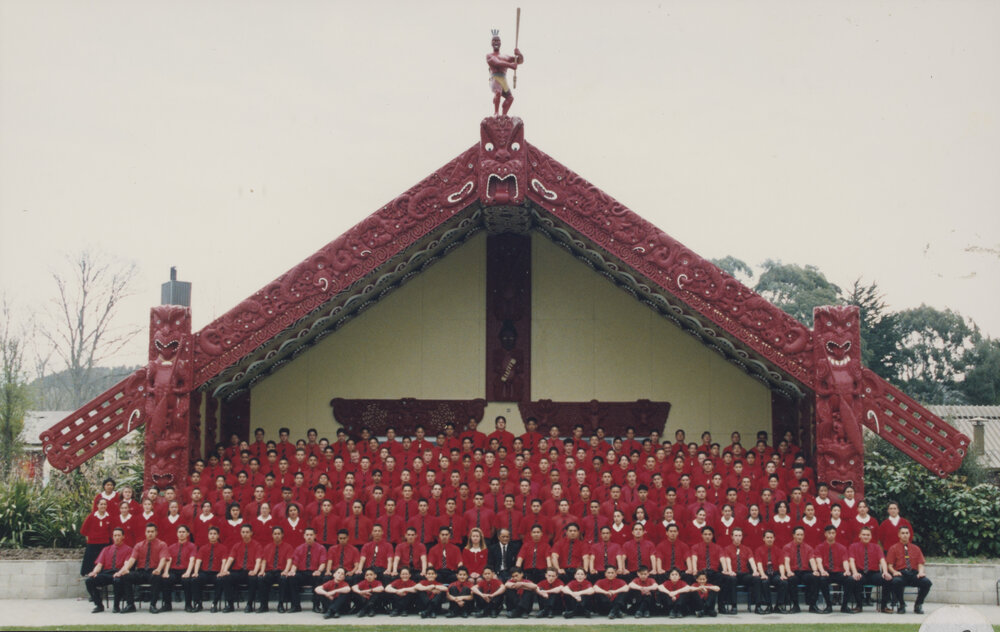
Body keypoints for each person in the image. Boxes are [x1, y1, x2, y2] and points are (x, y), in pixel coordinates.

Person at [115, 522, 170, 613]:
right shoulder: (138, 545)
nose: (150, 533)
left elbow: (163, 559)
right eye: (148, 531)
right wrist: (125, 569)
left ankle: (152, 605)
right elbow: (132, 559)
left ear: (156, 533)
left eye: (152, 531)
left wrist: (159, 569)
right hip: (141, 572)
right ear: (145, 532)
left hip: (153, 571)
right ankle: (130, 605)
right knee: (126, 576)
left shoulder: (162, 544)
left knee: (157, 577)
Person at [84, 527, 132, 613]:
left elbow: (126, 565)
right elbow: (99, 564)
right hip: (106, 572)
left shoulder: (128, 549)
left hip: (118, 572)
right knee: (89, 581)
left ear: (123, 537)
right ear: (112, 537)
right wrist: (94, 572)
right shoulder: (106, 549)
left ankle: (116, 606)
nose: (117, 537)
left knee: (118, 580)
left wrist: (119, 573)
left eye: (119, 535)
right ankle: (99, 605)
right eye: (115, 535)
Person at [885, 526, 931, 614]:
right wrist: (894, 572)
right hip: (900, 573)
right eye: (903, 533)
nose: (905, 535)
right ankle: (901, 604)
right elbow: (889, 565)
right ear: (899, 535)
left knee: (927, 582)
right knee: (896, 582)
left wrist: (921, 572)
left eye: (907, 533)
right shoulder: (893, 548)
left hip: (913, 574)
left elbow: (920, 563)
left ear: (909, 535)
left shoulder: (916, 548)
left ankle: (918, 604)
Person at [151, 524, 197, 613]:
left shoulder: (192, 546)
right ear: (177, 534)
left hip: (185, 570)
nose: (181, 534)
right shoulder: (171, 547)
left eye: (183, 532)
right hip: (174, 570)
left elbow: (192, 560)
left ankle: (188, 605)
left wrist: (188, 572)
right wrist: (166, 572)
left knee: (187, 580)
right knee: (166, 579)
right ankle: (167, 605)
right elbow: (168, 560)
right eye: (179, 532)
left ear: (188, 534)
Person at [217, 524, 263, 613]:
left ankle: (249, 605)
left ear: (251, 533)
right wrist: (225, 570)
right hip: (238, 571)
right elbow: (230, 559)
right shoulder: (236, 545)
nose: (245, 534)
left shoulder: (257, 545)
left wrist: (255, 571)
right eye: (243, 532)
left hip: (250, 571)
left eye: (247, 532)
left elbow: (258, 560)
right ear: (240, 533)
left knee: (253, 579)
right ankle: (230, 605)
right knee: (226, 577)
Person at [814, 524, 857, 614]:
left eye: (833, 533)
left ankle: (844, 606)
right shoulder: (819, 547)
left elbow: (845, 561)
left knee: (850, 579)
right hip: (826, 572)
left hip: (838, 572)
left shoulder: (842, 548)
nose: (831, 535)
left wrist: (847, 571)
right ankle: (829, 606)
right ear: (825, 534)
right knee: (822, 580)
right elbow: (819, 561)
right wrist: (822, 571)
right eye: (829, 533)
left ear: (836, 534)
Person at [848, 526, 892, 613]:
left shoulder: (876, 547)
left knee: (887, 579)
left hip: (873, 573)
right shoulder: (853, 546)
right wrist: (855, 572)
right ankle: (859, 606)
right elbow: (851, 561)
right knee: (855, 579)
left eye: (868, 535)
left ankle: (884, 606)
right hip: (860, 572)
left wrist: (885, 572)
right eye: (864, 534)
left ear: (871, 536)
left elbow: (882, 560)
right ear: (859, 535)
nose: (866, 536)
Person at [254, 525, 294, 613]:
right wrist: (262, 571)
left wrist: (286, 571)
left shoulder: (288, 547)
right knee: (261, 578)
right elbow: (264, 561)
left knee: (283, 579)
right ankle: (263, 605)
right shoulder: (267, 547)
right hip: (270, 571)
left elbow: (289, 560)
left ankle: (281, 605)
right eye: (275, 534)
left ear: (282, 535)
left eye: (279, 534)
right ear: (272, 535)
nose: (277, 535)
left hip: (281, 571)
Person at [289, 527, 328, 613]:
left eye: (311, 535)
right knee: (292, 578)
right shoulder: (298, 548)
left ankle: (316, 605)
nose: (309, 537)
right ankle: (296, 606)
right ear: (304, 536)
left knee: (319, 578)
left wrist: (319, 571)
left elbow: (323, 562)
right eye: (307, 535)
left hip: (314, 572)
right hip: (302, 572)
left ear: (315, 536)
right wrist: (292, 571)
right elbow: (295, 563)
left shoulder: (321, 548)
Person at [783, 525, 820, 613]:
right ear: (794, 535)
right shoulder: (787, 547)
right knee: (792, 579)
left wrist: (815, 570)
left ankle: (813, 605)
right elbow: (786, 561)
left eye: (802, 535)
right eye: (798, 534)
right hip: (793, 571)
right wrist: (788, 571)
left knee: (815, 578)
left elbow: (812, 560)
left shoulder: (808, 548)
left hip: (804, 571)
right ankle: (796, 606)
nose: (800, 537)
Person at [193, 526, 226, 612]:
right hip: (205, 572)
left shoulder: (223, 548)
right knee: (196, 579)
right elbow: (198, 561)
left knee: (220, 580)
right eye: (211, 534)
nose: (212, 536)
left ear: (218, 536)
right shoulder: (203, 548)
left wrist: (222, 572)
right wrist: (196, 572)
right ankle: (198, 603)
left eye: (215, 534)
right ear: (208, 535)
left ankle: (214, 604)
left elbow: (224, 562)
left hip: (216, 573)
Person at [80, 498, 113, 576]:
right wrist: (91, 537)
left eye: (105, 504)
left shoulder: (110, 517)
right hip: (92, 545)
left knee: (103, 567)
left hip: (105, 545)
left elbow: (112, 531)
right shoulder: (91, 516)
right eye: (101, 504)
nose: (103, 506)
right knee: (90, 566)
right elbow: (83, 530)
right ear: (97, 505)